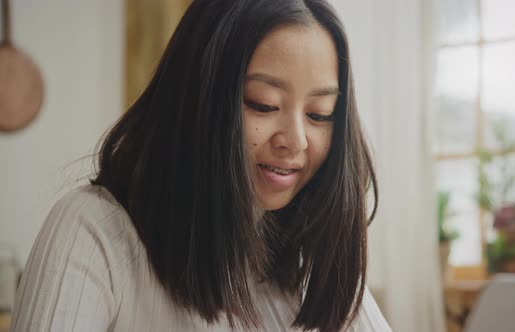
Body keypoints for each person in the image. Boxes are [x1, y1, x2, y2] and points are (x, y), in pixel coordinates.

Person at [11, 0, 391, 331]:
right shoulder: (93, 232)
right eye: (263, 104)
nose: (296, 140)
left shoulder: (309, 259)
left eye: (319, 114)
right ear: (198, 101)